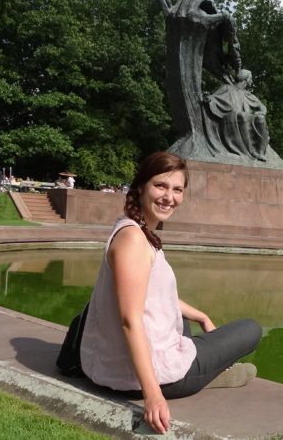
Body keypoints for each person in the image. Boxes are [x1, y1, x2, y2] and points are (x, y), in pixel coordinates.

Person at [80, 152, 262, 434]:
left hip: (111, 367)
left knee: (184, 322)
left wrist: (200, 314)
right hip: (148, 378)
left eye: (177, 189)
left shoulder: (133, 230)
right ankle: (207, 376)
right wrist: (153, 396)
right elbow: (131, 320)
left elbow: (153, 297)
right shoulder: (133, 241)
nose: (169, 197)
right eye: (160, 186)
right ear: (141, 186)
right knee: (251, 329)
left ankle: (204, 365)